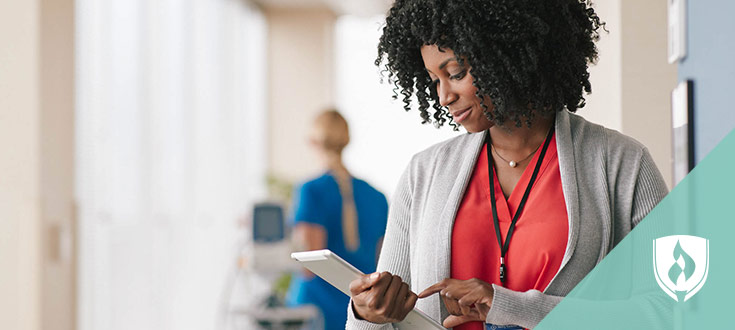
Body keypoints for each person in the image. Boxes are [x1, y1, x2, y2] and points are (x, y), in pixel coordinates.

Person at [346, 0, 669, 329]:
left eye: (455, 73)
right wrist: (366, 315)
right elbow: (383, 317)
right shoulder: (424, 175)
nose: (444, 96)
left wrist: (513, 306)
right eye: (434, 80)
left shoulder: (623, 164)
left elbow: (671, 311)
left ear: (509, 53)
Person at [286, 110, 389, 330]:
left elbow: (308, 266)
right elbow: (383, 264)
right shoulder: (377, 197)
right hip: (360, 313)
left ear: (313, 142)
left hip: (315, 314)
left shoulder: (311, 191)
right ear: (346, 141)